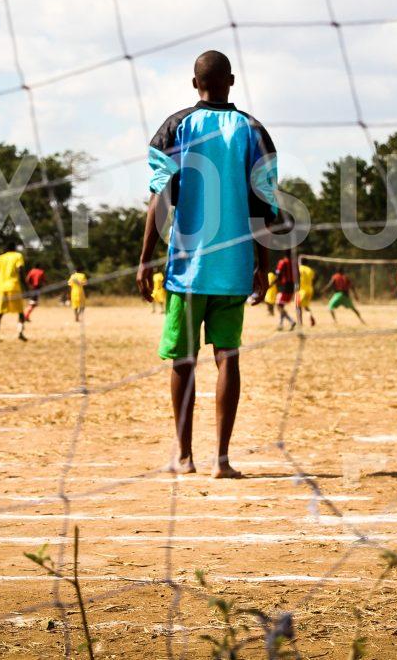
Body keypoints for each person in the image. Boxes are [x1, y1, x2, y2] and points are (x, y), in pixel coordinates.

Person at [134, 49, 277, 479]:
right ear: (230, 80)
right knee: (228, 357)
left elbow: (158, 198)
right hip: (233, 267)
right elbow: (264, 204)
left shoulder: (176, 127)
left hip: (186, 267)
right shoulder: (252, 130)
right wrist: (263, 264)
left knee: (183, 360)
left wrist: (144, 260)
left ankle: (184, 457)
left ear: (194, 83)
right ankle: (223, 460)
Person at [0, 243, 28, 342]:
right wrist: (25, 286)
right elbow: (20, 270)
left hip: (2, 288)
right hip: (14, 287)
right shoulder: (18, 256)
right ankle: (20, 333)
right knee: (20, 312)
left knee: (0, 313)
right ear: (15, 248)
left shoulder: (0, 258)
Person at [273, 255, 296, 330]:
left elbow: (278, 274)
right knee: (281, 305)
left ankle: (291, 321)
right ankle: (281, 324)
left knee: (279, 305)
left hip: (286, 285)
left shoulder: (282, 262)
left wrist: (273, 283)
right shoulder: (293, 262)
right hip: (292, 286)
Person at [296, 261, 317, 327]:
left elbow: (297, 279)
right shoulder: (310, 269)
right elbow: (314, 279)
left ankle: (300, 322)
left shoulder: (299, 268)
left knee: (298, 306)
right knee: (305, 306)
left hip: (302, 290)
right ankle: (310, 316)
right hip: (310, 290)